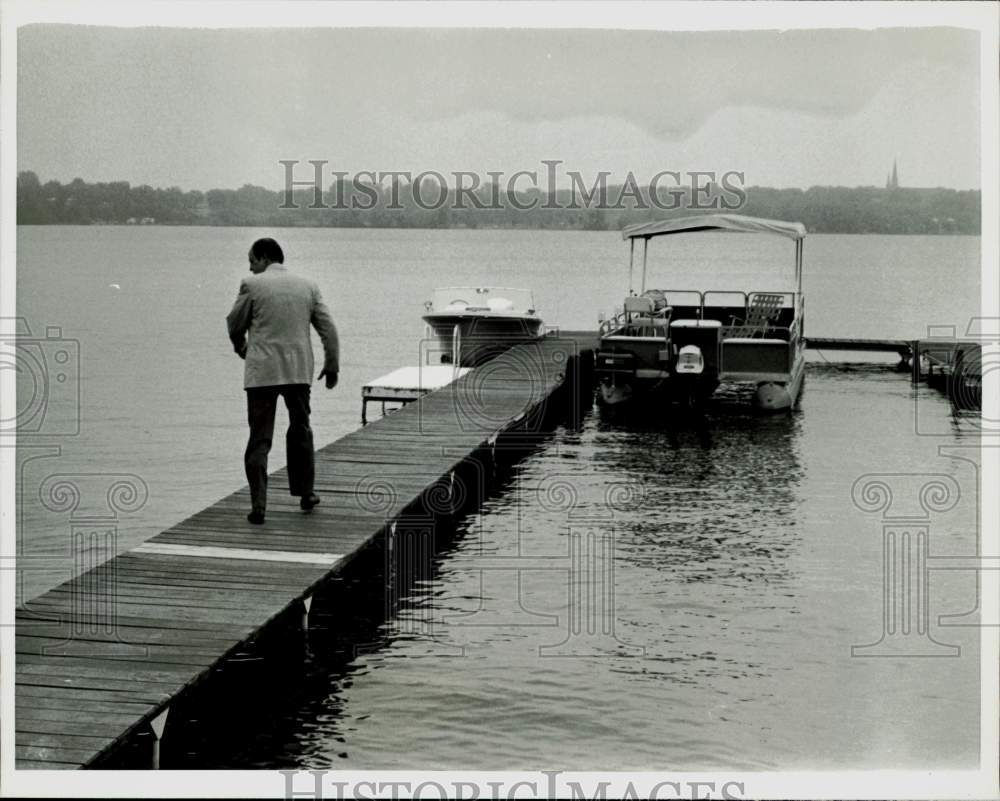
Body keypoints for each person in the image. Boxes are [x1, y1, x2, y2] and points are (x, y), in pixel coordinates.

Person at [226, 238, 339, 525]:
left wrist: (241, 347)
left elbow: (234, 323)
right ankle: (306, 493)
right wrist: (332, 364)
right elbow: (327, 328)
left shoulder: (252, 286)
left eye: (252, 260)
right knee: (300, 430)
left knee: (260, 438)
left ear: (264, 258)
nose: (250, 267)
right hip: (297, 372)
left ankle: (259, 505)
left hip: (262, 373)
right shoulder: (308, 286)